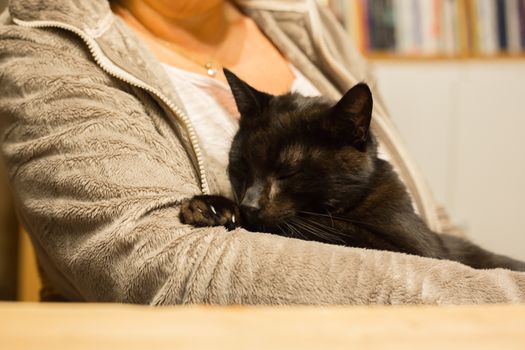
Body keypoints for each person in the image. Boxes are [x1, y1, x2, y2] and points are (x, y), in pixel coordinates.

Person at [0, 0, 523, 304]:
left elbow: (427, 216)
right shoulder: (50, 43)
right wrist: (496, 298)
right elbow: (154, 263)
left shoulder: (304, 19)